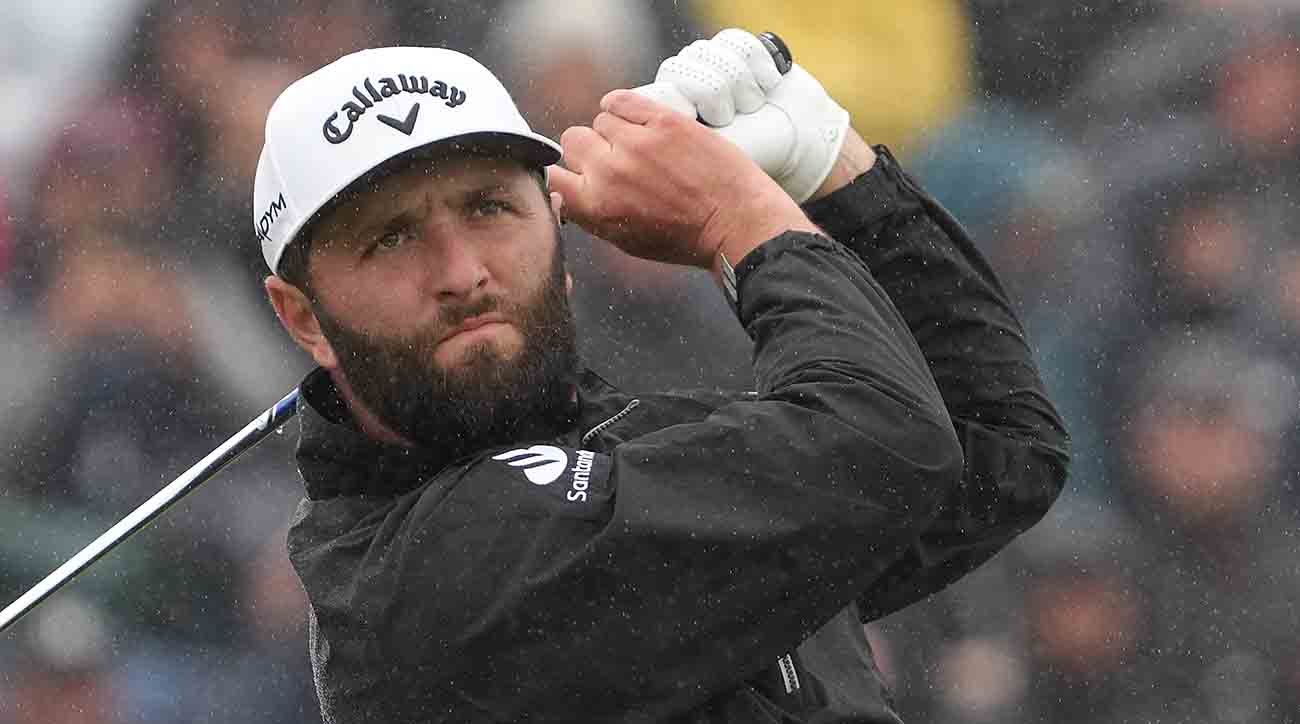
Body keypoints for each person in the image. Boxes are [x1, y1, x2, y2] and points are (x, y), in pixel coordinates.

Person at [253, 31, 1069, 723]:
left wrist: (836, 168)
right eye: (391, 239)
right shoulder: (420, 582)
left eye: (489, 208)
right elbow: (888, 444)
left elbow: (992, 447)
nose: (462, 271)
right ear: (304, 317)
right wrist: (746, 222)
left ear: (557, 227)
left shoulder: (630, 442)